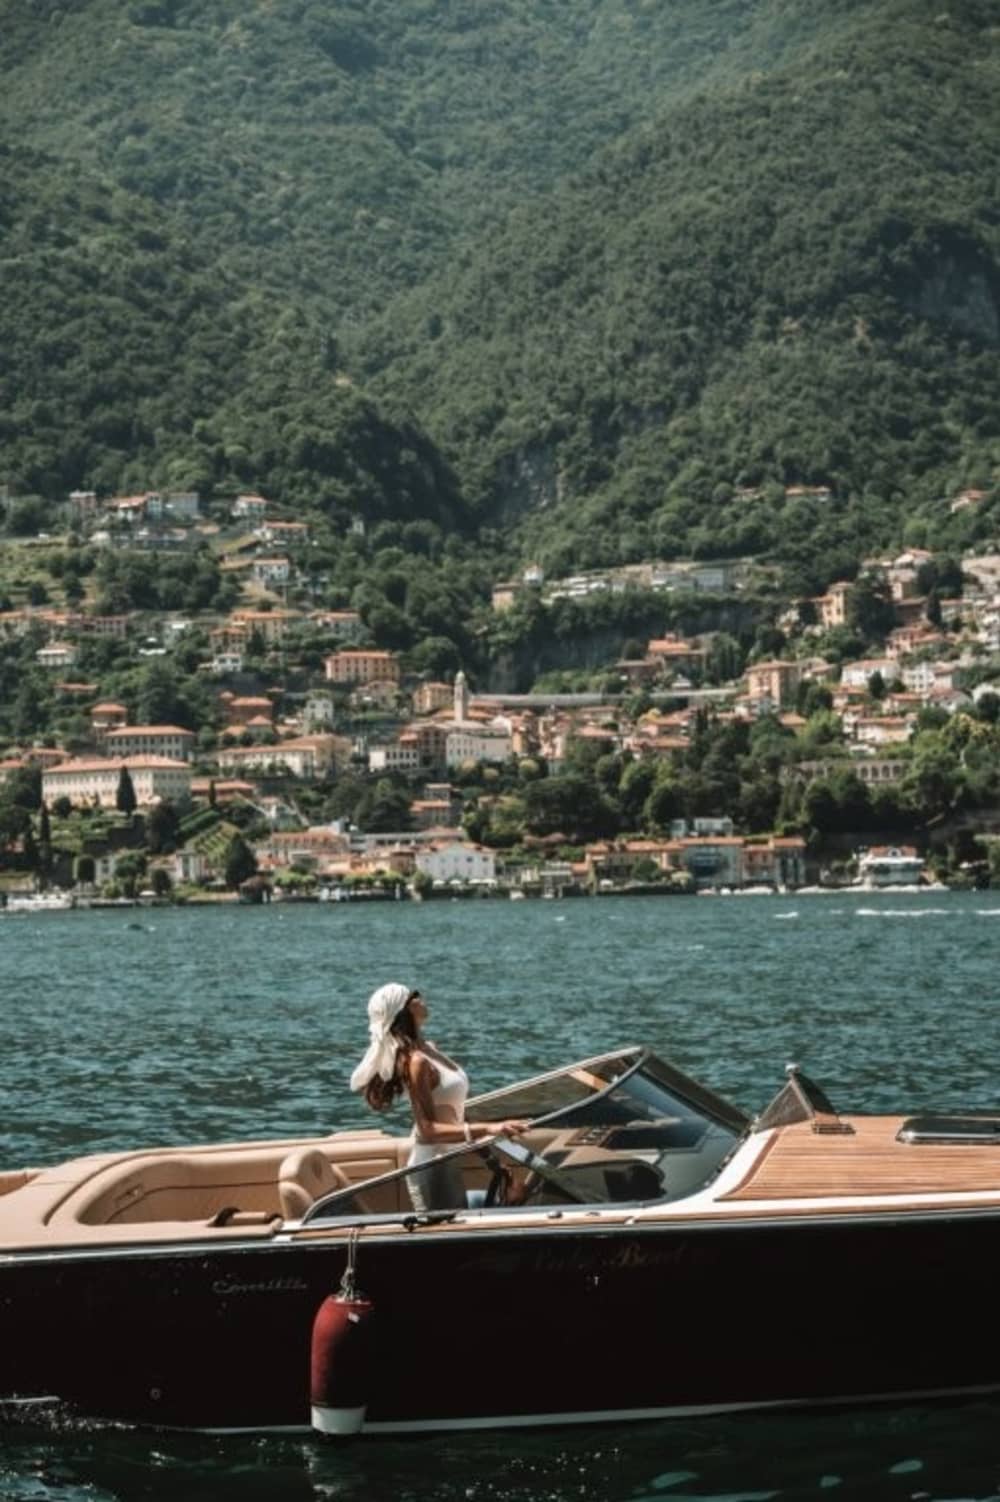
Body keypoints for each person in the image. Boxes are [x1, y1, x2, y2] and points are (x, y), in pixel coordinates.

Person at [349, 982, 527, 1212]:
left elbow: (456, 1117)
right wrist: (492, 1128)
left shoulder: (429, 1049)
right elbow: (428, 1130)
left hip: (447, 1160)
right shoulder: (417, 1062)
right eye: (415, 995)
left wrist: (495, 1164)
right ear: (404, 1009)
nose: (422, 997)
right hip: (430, 1170)